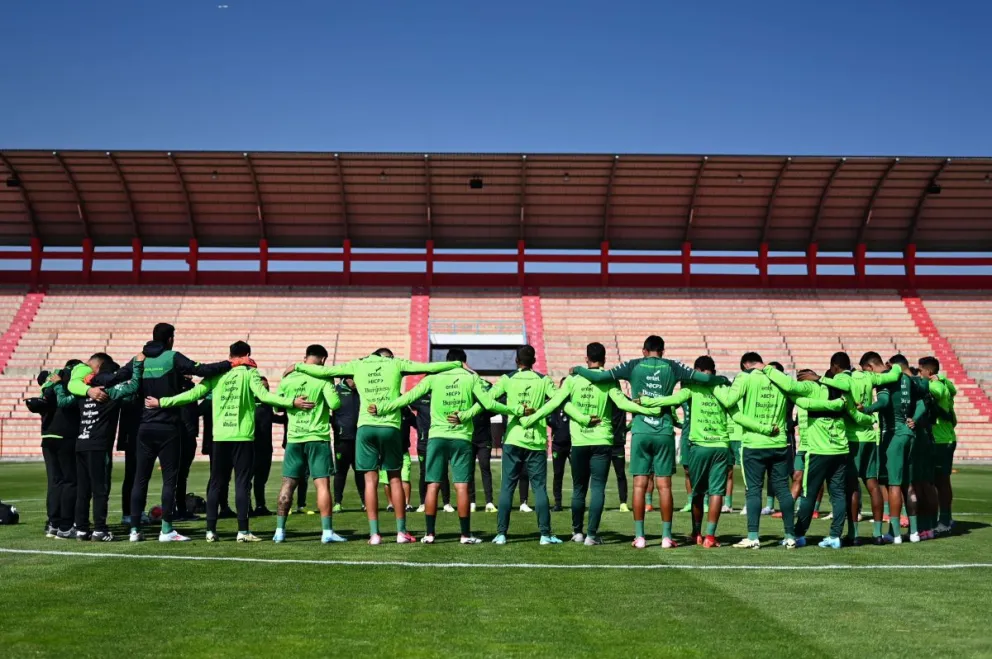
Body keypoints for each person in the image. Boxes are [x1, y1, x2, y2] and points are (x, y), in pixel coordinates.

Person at [291, 347, 463, 545]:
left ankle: (374, 535)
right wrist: (457, 364)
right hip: (390, 427)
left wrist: (297, 366)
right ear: (386, 357)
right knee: (395, 478)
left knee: (370, 481)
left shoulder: (358, 364)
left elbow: (325, 371)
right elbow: (429, 367)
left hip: (365, 428)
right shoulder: (395, 364)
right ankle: (401, 532)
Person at [570, 336, 727, 549]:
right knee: (664, 486)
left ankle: (640, 537)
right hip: (663, 430)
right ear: (662, 351)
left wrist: (578, 369)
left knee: (639, 485)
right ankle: (666, 537)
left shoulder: (633, 365)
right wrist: (722, 379)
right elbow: (706, 379)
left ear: (644, 351)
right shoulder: (672, 366)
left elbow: (600, 376)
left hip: (641, 430)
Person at [147, 341, 310, 542]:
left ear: (230, 354)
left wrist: (162, 402)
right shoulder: (250, 373)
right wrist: (292, 402)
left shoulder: (217, 374)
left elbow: (192, 395)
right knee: (242, 483)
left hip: (220, 437)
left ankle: (210, 531)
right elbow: (264, 396)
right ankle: (243, 531)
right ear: (247, 354)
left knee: (216, 483)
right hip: (242, 437)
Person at [371, 349, 520, 544]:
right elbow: (489, 403)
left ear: (446, 361)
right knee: (462, 487)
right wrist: (514, 410)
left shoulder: (434, 377)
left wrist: (382, 408)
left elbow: (408, 397)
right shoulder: (471, 378)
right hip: (461, 438)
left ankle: (429, 534)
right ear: (464, 362)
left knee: (432, 485)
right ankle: (465, 535)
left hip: (436, 437)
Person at [523, 342, 658, 546]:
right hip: (602, 440)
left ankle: (577, 532)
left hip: (579, 442)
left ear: (586, 358)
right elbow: (623, 404)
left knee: (579, 488)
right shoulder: (609, 380)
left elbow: (554, 403)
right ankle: (591, 535)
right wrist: (651, 410)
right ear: (604, 359)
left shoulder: (573, 379)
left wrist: (531, 419)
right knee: (597, 488)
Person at [113, 323, 235, 543]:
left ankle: (134, 530)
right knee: (170, 480)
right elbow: (202, 370)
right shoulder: (172, 357)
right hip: (168, 427)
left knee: (140, 479)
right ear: (170, 339)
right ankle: (166, 530)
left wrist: (92, 382)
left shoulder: (139, 359)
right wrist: (230, 363)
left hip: (144, 428)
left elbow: (117, 377)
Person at [638, 356, 772, 547]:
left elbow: (671, 400)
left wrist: (646, 401)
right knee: (716, 492)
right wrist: (764, 428)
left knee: (698, 492)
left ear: (697, 371)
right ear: (714, 372)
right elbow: (738, 416)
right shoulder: (724, 389)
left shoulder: (693, 388)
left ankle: (696, 533)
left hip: (699, 447)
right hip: (721, 446)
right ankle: (710, 536)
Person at [763, 367, 851, 549]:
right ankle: (835, 536)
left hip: (818, 450)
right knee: (838, 494)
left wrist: (767, 369)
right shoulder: (839, 390)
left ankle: (799, 535)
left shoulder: (810, 387)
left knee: (808, 493)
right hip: (840, 449)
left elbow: (789, 386)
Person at [720, 352, 796, 549]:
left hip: (754, 444)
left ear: (746, 365)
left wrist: (717, 389)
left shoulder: (746, 377)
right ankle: (790, 536)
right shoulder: (780, 377)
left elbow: (728, 401)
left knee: (753, 490)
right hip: (779, 442)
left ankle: (753, 536)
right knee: (783, 489)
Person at [272, 344, 346, 543]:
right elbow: (335, 404)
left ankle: (279, 531)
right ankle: (327, 532)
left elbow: (277, 408)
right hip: (317, 438)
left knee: (288, 483)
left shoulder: (288, 378)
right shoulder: (322, 378)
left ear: (305, 358)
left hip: (294, 438)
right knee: (322, 484)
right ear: (323, 360)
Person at [67, 353, 143, 541]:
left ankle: (82, 529)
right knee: (100, 490)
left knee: (83, 490)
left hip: (81, 443)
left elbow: (71, 388)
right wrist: (138, 365)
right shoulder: (109, 391)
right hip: (98, 445)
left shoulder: (83, 392)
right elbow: (134, 386)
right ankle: (100, 530)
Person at [817, 352, 891, 545]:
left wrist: (818, 378)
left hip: (852, 438)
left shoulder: (844, 379)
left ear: (835, 367)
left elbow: (843, 400)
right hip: (870, 437)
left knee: (851, 486)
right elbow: (891, 375)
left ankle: (854, 534)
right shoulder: (867, 376)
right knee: (873, 484)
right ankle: (877, 534)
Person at [488, 345, 557, 545]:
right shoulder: (543, 380)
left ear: (516, 361)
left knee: (507, 487)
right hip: (536, 440)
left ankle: (501, 534)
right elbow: (558, 400)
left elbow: (488, 400)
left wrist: (512, 410)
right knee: (539, 488)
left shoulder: (507, 379)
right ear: (534, 361)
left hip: (513, 438)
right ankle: (545, 535)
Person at [858, 353, 926, 543]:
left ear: (870, 367)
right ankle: (914, 533)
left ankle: (895, 534)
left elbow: (884, 402)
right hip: (909, 434)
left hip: (893, 434)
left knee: (893, 484)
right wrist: (915, 419)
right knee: (908, 484)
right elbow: (921, 403)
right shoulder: (907, 378)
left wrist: (867, 409)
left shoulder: (885, 379)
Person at [36, 360, 82, 539]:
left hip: (47, 436)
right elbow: (68, 403)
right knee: (70, 481)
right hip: (65, 436)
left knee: (55, 482)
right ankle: (66, 526)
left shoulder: (48, 384)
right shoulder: (69, 383)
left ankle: (53, 524)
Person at [919, 357, 957, 534]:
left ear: (928, 372)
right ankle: (943, 518)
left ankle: (944, 520)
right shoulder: (943, 382)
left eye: (921, 371)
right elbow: (952, 389)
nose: (919, 374)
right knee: (937, 481)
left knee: (941, 482)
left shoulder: (936, 386)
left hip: (941, 440)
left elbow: (937, 391)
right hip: (942, 437)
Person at [252, 376, 286, 516]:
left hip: (266, 447)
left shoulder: (267, 403)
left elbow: (272, 418)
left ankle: (260, 506)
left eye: (267, 388)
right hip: (250, 447)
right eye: (263, 387)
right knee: (247, 479)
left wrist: (289, 415)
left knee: (261, 479)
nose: (265, 390)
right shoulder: (248, 402)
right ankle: (247, 508)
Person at [411, 394, 451, 512]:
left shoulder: (443, 397)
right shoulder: (420, 398)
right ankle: (422, 503)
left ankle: (446, 503)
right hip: (424, 443)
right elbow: (405, 399)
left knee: (443, 472)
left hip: (440, 440)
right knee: (424, 472)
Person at [331, 377, 365, 512]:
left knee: (360, 471)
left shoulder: (362, 390)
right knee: (340, 472)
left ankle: (365, 502)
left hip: (360, 439)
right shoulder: (336, 391)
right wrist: (336, 425)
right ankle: (337, 503)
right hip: (342, 439)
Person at [468, 378, 497, 513]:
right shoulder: (468, 400)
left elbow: (494, 408)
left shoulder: (486, 402)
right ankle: (471, 502)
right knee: (469, 471)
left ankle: (489, 502)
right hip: (469, 439)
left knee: (485, 468)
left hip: (484, 440)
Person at [174, 376, 201, 521]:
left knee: (181, 476)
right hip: (180, 436)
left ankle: (179, 509)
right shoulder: (177, 386)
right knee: (177, 476)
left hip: (188, 435)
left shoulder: (190, 387)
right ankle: (176, 510)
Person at [546, 377, 572, 512]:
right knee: (558, 474)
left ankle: (577, 502)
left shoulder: (574, 402)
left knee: (578, 474)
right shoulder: (554, 402)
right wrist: (555, 424)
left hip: (573, 444)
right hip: (558, 444)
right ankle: (557, 503)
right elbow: (547, 417)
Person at [610, 406, 630, 513]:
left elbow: (636, 409)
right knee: (600, 475)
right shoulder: (605, 399)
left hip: (618, 443)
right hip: (604, 441)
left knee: (621, 474)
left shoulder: (622, 400)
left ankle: (623, 503)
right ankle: (598, 502)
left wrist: (626, 428)